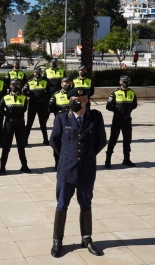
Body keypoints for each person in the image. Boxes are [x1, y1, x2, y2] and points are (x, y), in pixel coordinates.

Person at [49, 88, 106, 258]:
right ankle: (57, 241)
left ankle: (86, 239)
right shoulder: (61, 117)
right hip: (66, 169)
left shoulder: (95, 117)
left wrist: (87, 156)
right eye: (72, 99)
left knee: (86, 204)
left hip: (86, 169)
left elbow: (101, 141)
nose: (74, 102)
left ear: (86, 101)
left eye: (78, 99)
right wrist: (68, 156)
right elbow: (54, 141)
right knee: (62, 204)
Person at [0, 79, 31, 175]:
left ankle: (24, 166)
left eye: (16, 85)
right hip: (9, 124)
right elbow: (1, 109)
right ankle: (2, 167)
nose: (14, 87)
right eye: (12, 85)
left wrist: (18, 115)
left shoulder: (23, 97)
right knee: (6, 146)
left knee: (21, 146)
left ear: (20, 86)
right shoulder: (5, 98)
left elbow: (25, 109)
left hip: (20, 124)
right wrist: (8, 115)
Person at [105, 75, 137, 168]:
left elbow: (134, 105)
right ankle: (108, 160)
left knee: (127, 140)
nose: (125, 83)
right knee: (113, 140)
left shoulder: (132, 92)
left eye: (127, 81)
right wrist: (117, 111)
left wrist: (127, 110)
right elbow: (108, 106)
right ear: (120, 82)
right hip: (117, 119)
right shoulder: (115, 93)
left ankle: (126, 159)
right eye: (123, 81)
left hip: (127, 119)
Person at [48, 77, 73, 169]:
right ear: (61, 84)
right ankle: (57, 162)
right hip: (60, 122)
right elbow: (50, 108)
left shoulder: (74, 94)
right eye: (65, 83)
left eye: (68, 83)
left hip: (72, 122)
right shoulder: (56, 95)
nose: (67, 85)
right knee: (57, 142)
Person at [23, 67, 51, 146]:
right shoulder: (29, 82)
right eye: (36, 72)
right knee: (29, 123)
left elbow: (48, 93)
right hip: (32, 104)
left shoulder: (45, 82)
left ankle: (45, 140)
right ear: (33, 73)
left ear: (41, 73)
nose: (37, 74)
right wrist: (30, 96)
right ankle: (25, 140)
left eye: (39, 72)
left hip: (42, 105)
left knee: (43, 123)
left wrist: (44, 99)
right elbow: (23, 91)